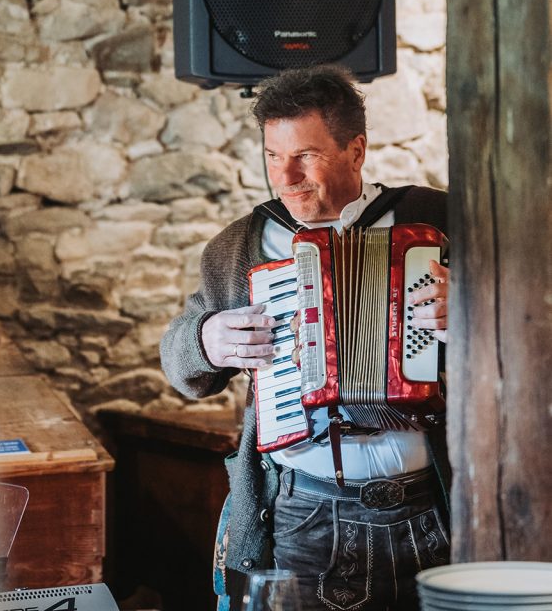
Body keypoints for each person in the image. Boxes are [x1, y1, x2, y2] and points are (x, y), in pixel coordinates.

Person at [160, 64, 450, 611]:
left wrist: (477, 309)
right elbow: (181, 364)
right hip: (303, 512)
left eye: (306, 156)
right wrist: (204, 339)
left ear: (356, 150)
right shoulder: (238, 246)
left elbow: (530, 322)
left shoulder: (439, 219)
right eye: (273, 156)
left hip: (434, 503)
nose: (285, 176)